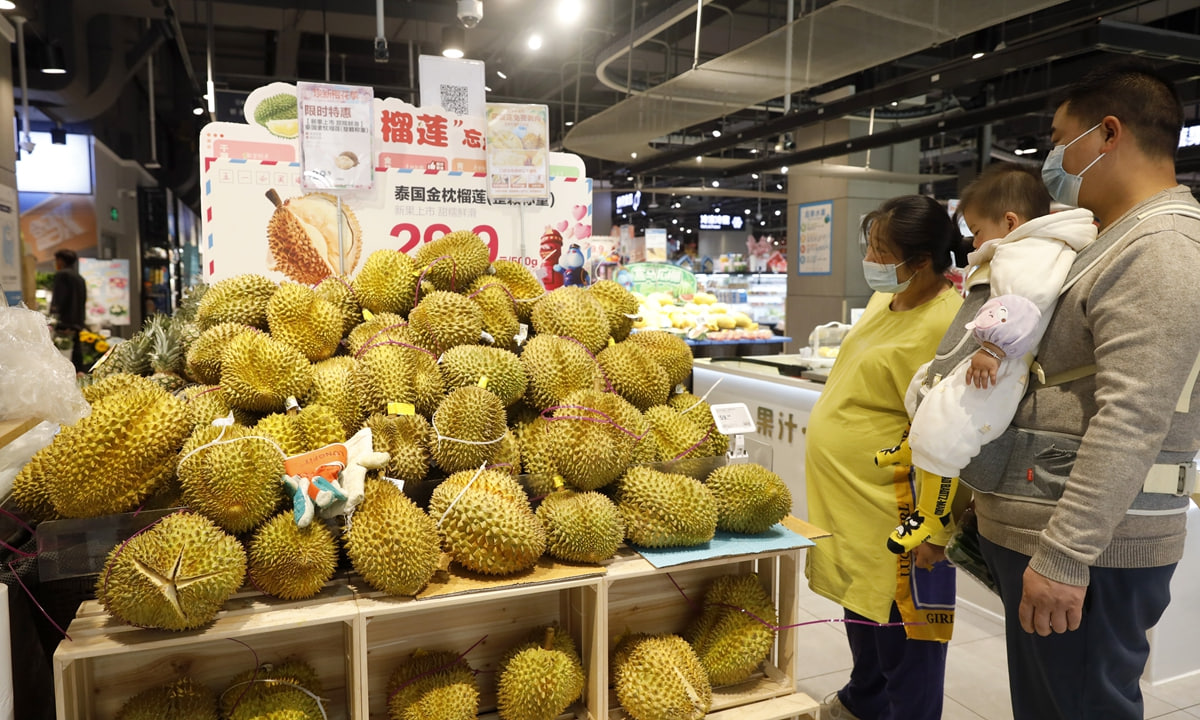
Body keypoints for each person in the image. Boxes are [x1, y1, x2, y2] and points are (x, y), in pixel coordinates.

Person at [966, 60, 1200, 720]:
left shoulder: (1163, 247)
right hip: (1049, 529)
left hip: (1093, 549)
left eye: (1058, 136)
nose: (1051, 157)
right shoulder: (1112, 238)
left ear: (1107, 134)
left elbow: (1134, 414)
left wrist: (1066, 555)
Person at [882, 164, 1097, 554]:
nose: (972, 239)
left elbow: (1024, 302)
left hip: (1000, 363)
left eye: (977, 230)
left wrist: (994, 348)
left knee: (944, 435)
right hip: (987, 356)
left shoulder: (1029, 253)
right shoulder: (1019, 249)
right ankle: (914, 447)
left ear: (1010, 221)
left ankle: (931, 515)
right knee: (925, 391)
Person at [805, 195, 963, 720]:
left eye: (881, 251)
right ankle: (863, 701)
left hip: (899, 513)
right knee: (864, 619)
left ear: (920, 262)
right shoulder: (883, 301)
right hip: (852, 508)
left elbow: (956, 432)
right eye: (870, 246)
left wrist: (936, 530)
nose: (871, 260)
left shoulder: (949, 325)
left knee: (907, 639)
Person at [50, 249, 88, 373]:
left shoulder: (62, 275)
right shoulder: (79, 278)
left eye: (56, 260)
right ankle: (80, 375)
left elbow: (59, 299)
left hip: (64, 321)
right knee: (76, 353)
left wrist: (53, 317)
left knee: (63, 354)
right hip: (77, 321)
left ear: (61, 260)